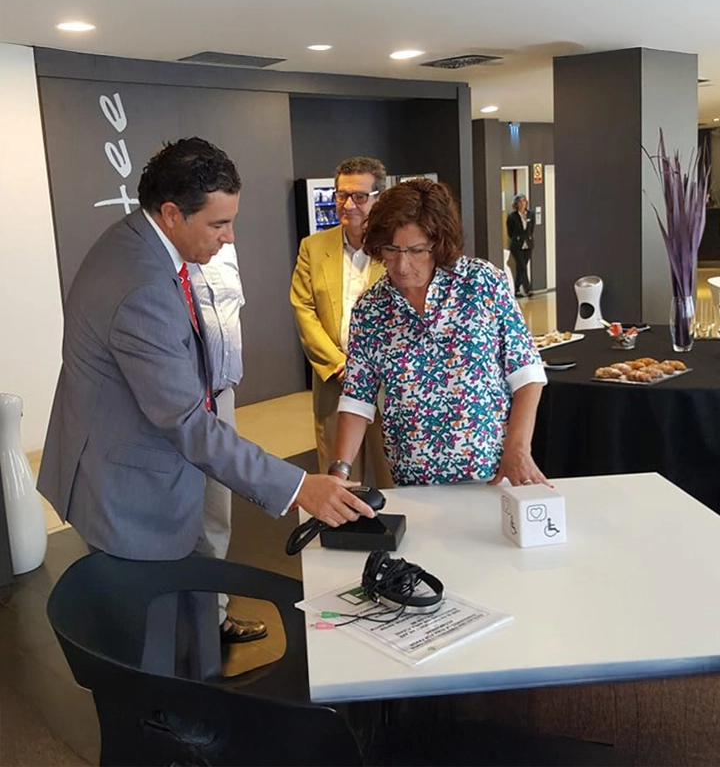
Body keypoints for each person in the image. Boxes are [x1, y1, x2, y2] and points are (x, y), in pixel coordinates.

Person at [38, 138, 374, 675]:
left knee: (186, 604)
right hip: (125, 488)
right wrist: (296, 486)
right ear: (172, 214)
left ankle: (198, 690)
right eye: (219, 225)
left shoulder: (137, 241)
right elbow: (185, 422)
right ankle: (164, 728)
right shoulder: (142, 284)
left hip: (138, 458)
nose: (229, 236)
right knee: (146, 640)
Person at [332, 178, 548, 487]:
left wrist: (518, 450)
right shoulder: (371, 309)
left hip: (492, 473)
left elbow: (527, 372)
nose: (402, 265)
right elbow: (357, 399)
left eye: (416, 250)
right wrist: (338, 472)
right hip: (413, 481)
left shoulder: (481, 282)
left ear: (439, 244)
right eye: (391, 249)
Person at [290, 157, 393, 488]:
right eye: (341, 195)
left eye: (359, 197)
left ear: (379, 197)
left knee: (392, 474)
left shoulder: (397, 249)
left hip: (387, 384)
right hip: (335, 381)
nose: (348, 205)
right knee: (339, 478)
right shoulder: (313, 247)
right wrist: (338, 364)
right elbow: (303, 308)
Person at [189, 246, 266, 644]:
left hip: (220, 397)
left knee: (216, 512)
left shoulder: (227, 252)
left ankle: (213, 615)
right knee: (173, 517)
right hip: (176, 403)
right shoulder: (155, 263)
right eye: (218, 223)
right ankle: (174, 623)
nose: (229, 234)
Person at [506, 193, 535, 298]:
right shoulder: (512, 216)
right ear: (516, 204)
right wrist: (517, 238)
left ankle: (516, 289)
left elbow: (531, 229)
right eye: (520, 201)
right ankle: (528, 289)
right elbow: (510, 232)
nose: (522, 203)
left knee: (521, 267)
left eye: (524, 201)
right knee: (522, 266)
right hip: (517, 245)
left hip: (528, 244)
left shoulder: (530, 214)